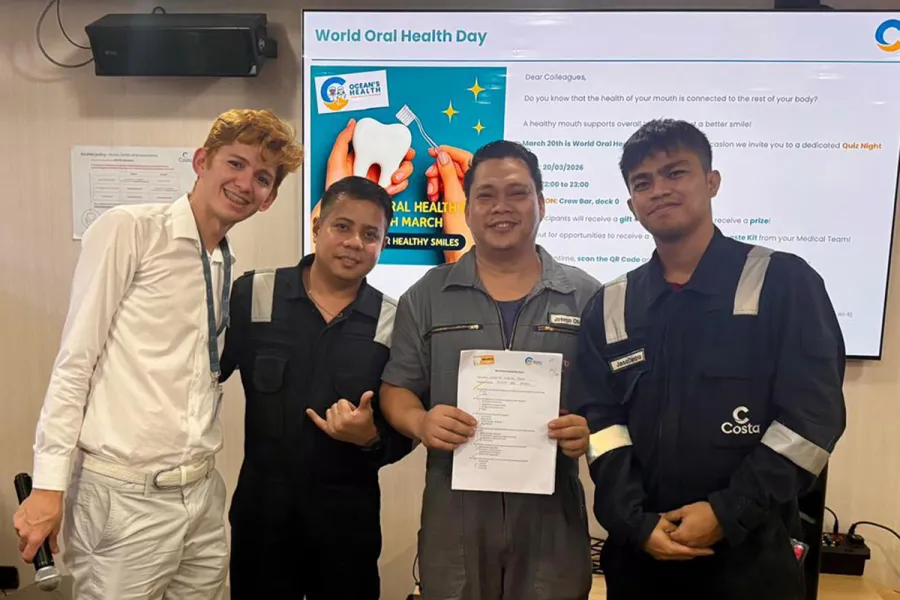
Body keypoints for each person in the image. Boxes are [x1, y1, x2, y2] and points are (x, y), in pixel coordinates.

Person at [12, 109, 302, 600]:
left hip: (201, 492)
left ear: (269, 198)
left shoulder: (222, 260)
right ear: (202, 161)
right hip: (125, 496)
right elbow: (76, 362)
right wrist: (48, 485)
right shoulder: (131, 230)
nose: (244, 183)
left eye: (262, 177)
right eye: (235, 163)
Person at [573, 118, 847, 599]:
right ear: (632, 206)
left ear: (712, 182)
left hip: (751, 558)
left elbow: (813, 420)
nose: (659, 190)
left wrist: (727, 511)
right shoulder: (611, 304)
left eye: (675, 172)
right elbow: (602, 426)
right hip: (641, 558)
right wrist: (635, 522)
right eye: (643, 182)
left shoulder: (784, 283)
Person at [380, 140, 602, 600]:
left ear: (542, 203)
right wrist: (420, 421)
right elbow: (396, 388)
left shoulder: (586, 297)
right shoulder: (426, 296)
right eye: (485, 195)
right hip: (455, 515)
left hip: (552, 518)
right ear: (467, 209)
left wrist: (591, 431)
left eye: (517, 193)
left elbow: (611, 402)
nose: (501, 207)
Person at [220, 175, 413, 600]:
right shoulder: (254, 294)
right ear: (317, 226)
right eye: (342, 226)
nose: (354, 243)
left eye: (370, 235)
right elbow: (201, 377)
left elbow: (408, 425)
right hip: (263, 519)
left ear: (382, 243)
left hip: (347, 524)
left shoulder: (393, 321)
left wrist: (371, 437)